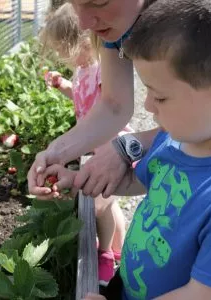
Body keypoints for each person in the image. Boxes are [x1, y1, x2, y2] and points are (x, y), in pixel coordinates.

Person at [36, 0, 211, 299]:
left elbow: (203, 295)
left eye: (160, 97)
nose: (147, 106)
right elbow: (138, 181)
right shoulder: (176, 142)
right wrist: (75, 178)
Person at [28, 0, 158, 202]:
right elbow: (114, 105)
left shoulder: (196, 25)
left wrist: (127, 146)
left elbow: (205, 128)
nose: (83, 24)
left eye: (98, 2)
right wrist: (55, 153)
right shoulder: (118, 31)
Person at [38, 3, 131, 285]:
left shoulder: (102, 70)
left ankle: (103, 254)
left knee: (100, 205)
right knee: (110, 205)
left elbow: (108, 109)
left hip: (113, 147)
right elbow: (80, 97)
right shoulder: (81, 72)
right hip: (96, 147)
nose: (61, 57)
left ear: (83, 41)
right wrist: (63, 85)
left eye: (63, 50)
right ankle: (118, 250)